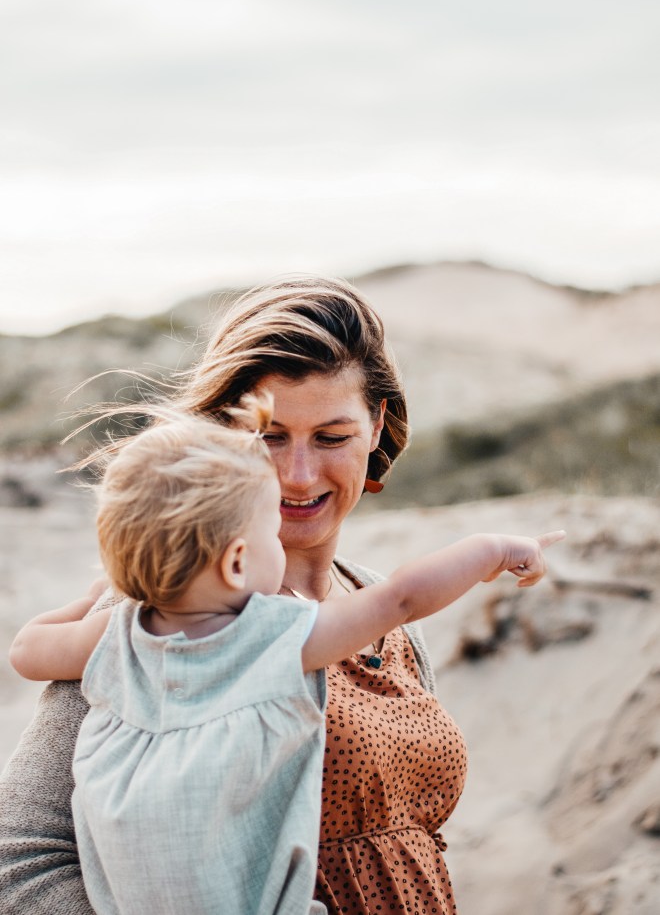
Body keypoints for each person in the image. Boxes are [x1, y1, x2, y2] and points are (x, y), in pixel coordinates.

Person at [0, 275, 561, 914]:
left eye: (331, 437)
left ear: (376, 426)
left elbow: (416, 838)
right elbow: (22, 858)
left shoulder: (375, 605)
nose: (297, 476)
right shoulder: (175, 626)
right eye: (271, 437)